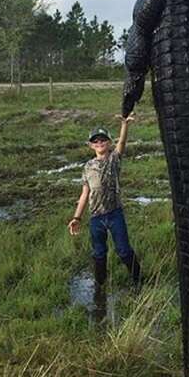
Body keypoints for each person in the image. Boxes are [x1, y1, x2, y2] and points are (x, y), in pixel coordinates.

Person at [68, 115, 141, 288]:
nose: (99, 143)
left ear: (108, 143)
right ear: (91, 145)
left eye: (103, 140)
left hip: (115, 213)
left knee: (123, 250)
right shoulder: (87, 166)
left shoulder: (114, 159)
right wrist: (76, 217)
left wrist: (124, 125)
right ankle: (100, 284)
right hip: (96, 217)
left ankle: (138, 279)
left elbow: (121, 144)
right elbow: (85, 193)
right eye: (96, 141)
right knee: (99, 253)